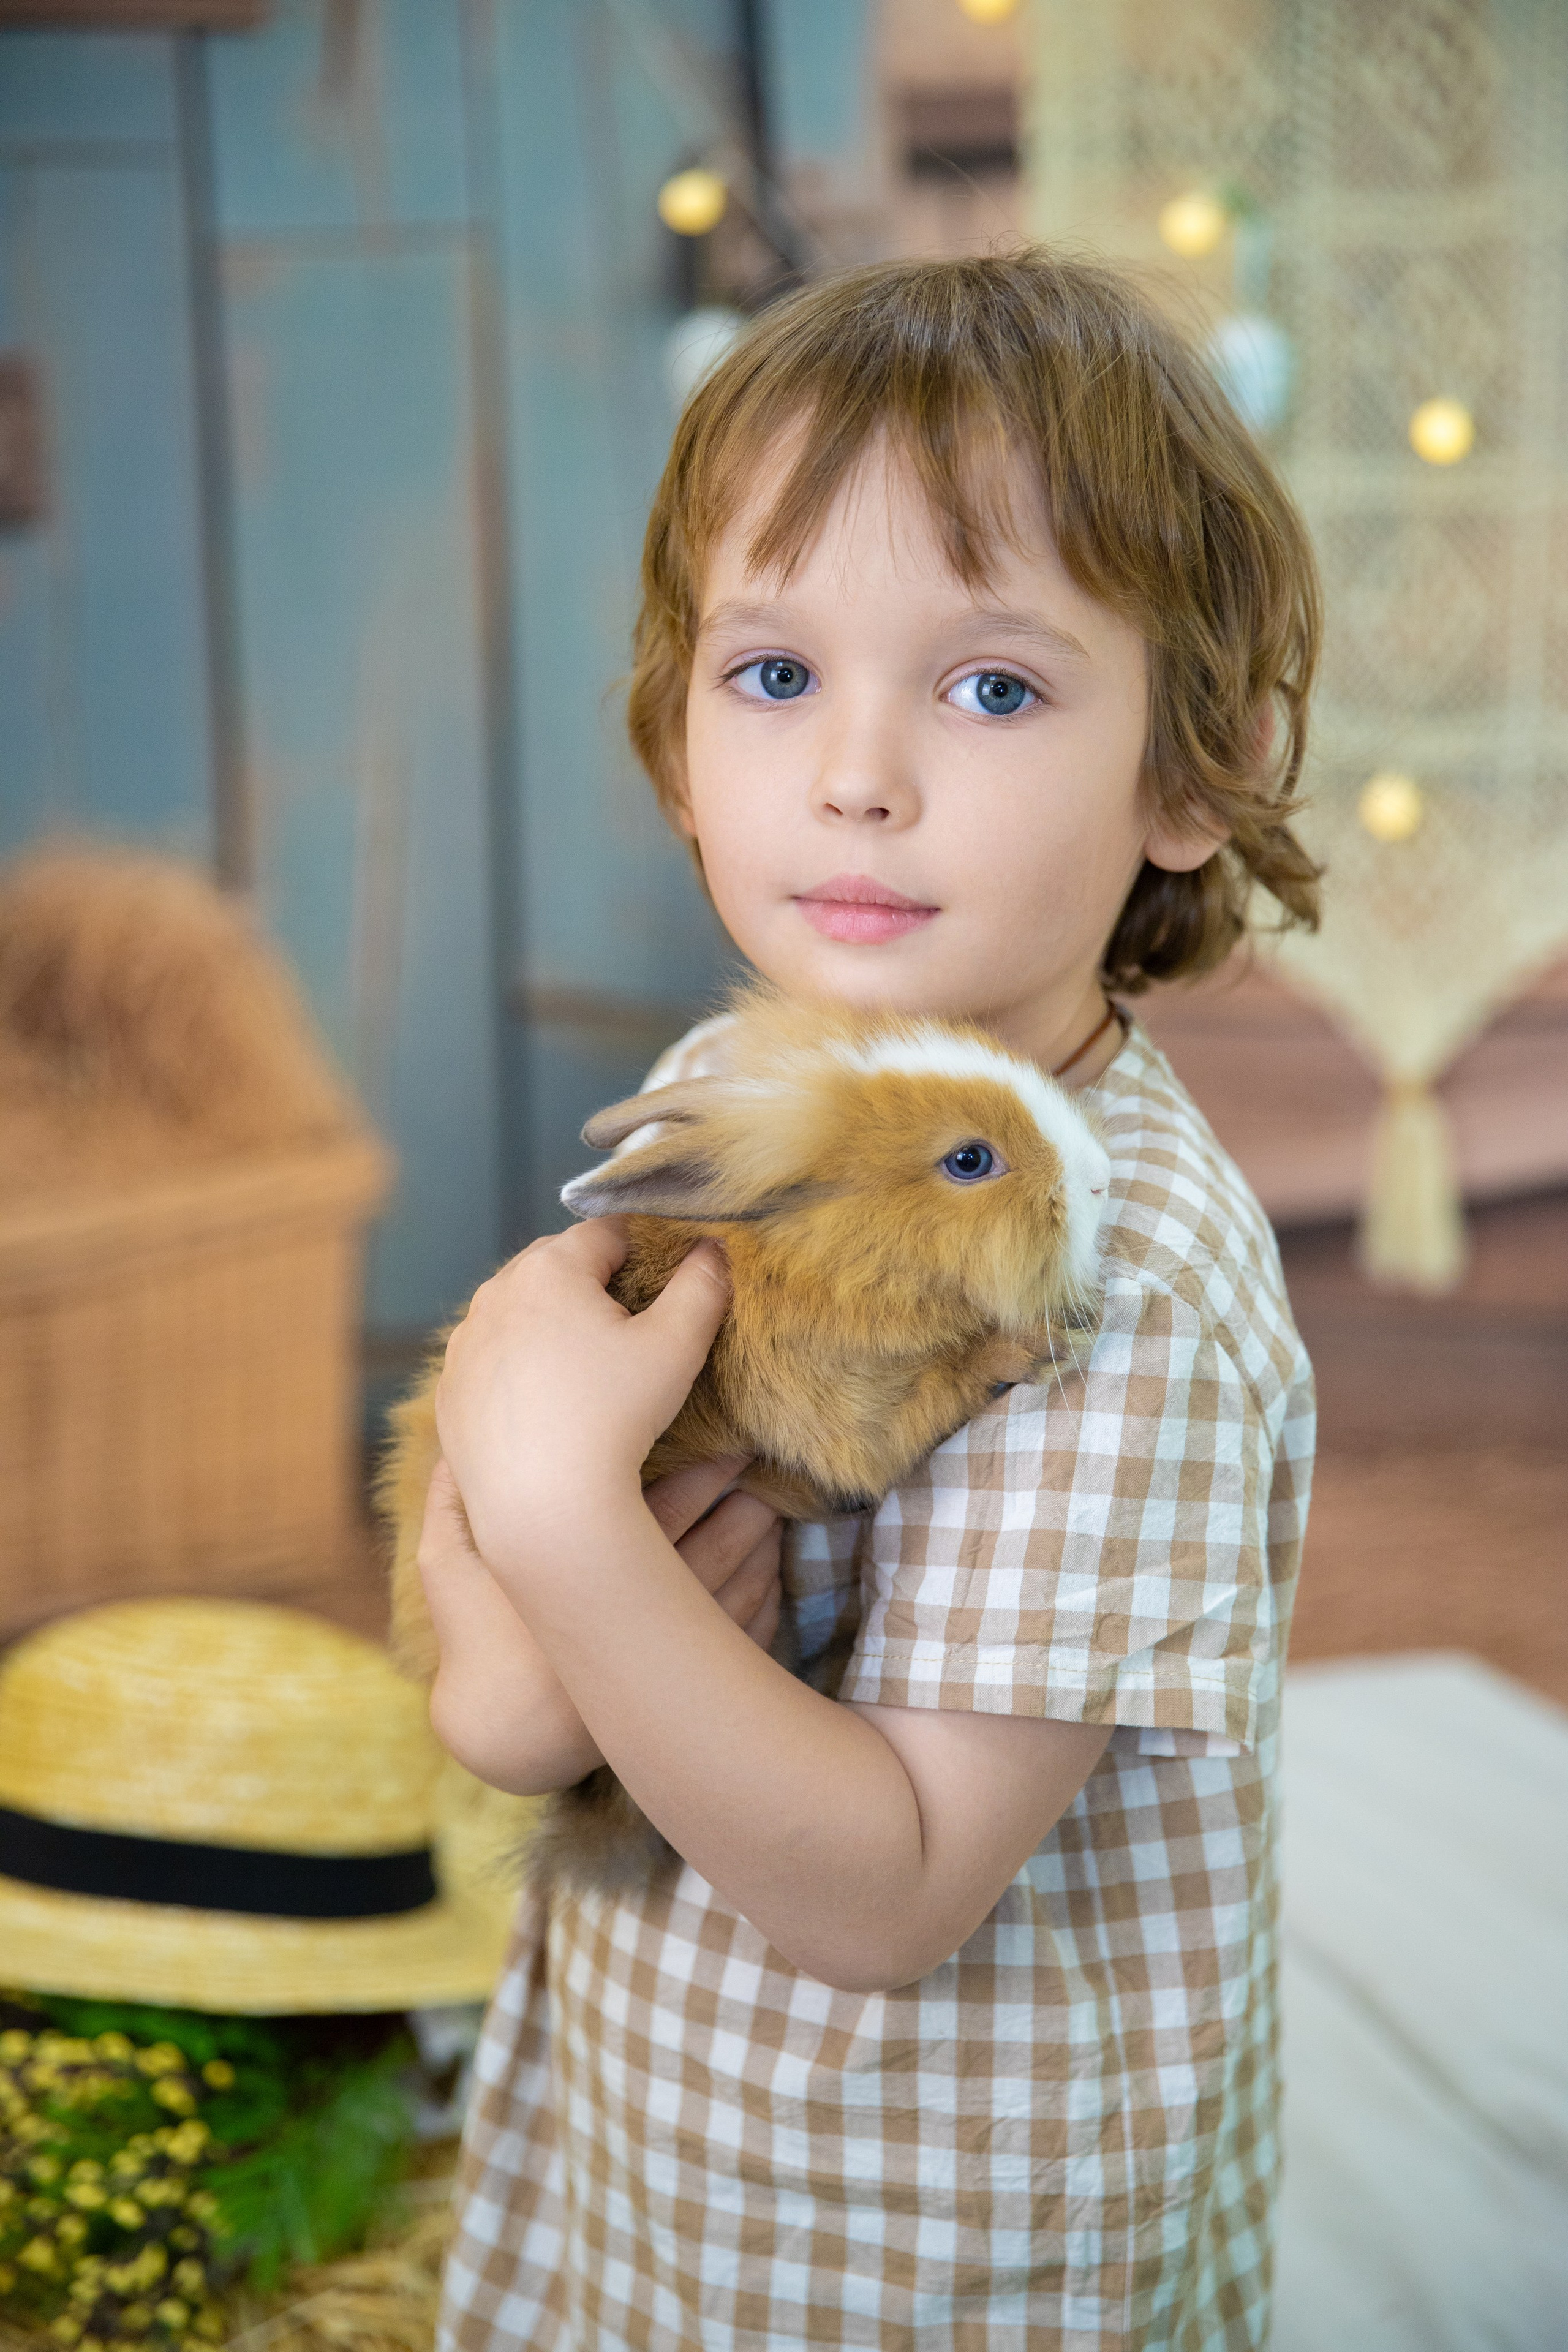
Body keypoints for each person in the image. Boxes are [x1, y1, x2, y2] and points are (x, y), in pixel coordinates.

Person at [420, 251, 1320, 2351]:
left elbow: (890, 1893)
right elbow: (517, 1675)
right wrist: (524, 1651)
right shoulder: (738, 1090)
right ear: (676, 732)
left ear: (1196, 770)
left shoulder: (1123, 1287)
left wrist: (567, 1531)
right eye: (773, 674)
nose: (857, 775)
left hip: (936, 2234)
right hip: (671, 2122)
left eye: (992, 688)